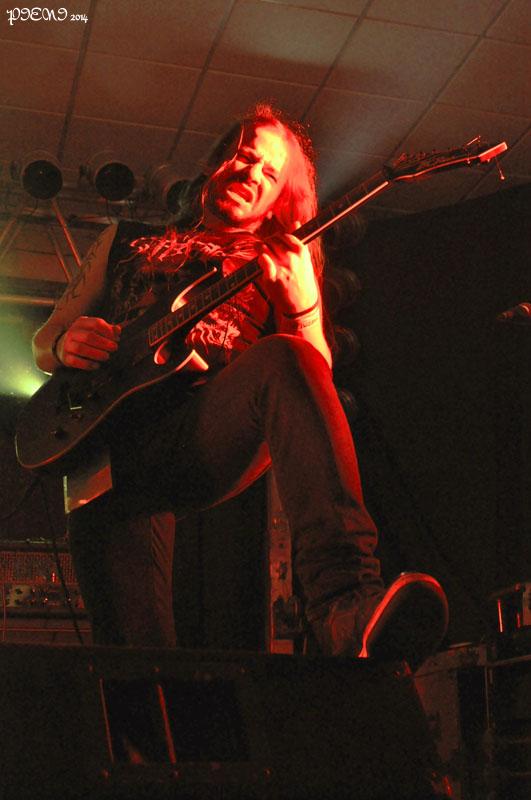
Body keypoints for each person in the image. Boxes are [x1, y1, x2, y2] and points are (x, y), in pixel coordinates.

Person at [32, 103, 448, 669]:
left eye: (270, 173)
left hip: (200, 430)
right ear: (217, 162)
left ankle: (346, 603)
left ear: (279, 201)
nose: (253, 173)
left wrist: (302, 305)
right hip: (105, 452)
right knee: (136, 670)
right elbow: (45, 339)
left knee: (284, 356)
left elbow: (314, 375)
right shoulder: (123, 240)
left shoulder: (280, 262)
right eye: (247, 156)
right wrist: (64, 345)